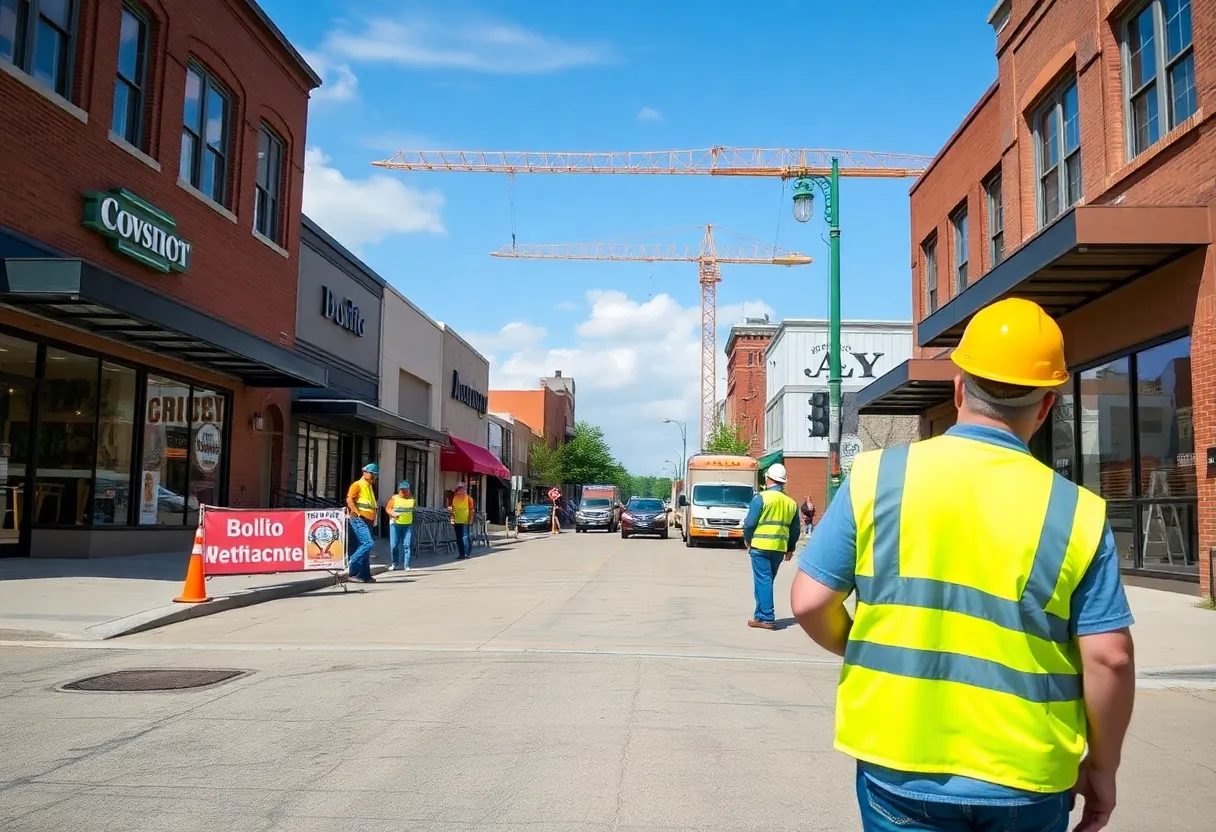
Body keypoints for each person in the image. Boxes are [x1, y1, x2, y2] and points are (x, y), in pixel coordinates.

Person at [790, 297, 1136, 832]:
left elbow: (810, 601)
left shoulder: (877, 477)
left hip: (900, 763)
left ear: (957, 389)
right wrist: (1103, 766)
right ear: (1045, 407)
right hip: (1027, 773)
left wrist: (861, 645)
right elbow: (1110, 658)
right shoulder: (1077, 512)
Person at [741, 462, 800, 630]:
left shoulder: (761, 498)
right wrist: (790, 548)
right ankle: (759, 616)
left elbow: (749, 523)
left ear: (768, 479)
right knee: (766, 581)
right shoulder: (791, 503)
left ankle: (767, 617)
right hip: (779, 548)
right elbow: (795, 529)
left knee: (763, 581)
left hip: (760, 547)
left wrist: (748, 539)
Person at [345, 463, 379, 583]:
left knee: (364, 547)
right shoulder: (357, 484)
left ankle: (364, 575)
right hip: (359, 519)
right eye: (373, 474)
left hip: (367, 520)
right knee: (368, 543)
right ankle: (353, 564)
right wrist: (356, 513)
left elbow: (371, 505)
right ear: (365, 472)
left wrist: (373, 520)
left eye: (375, 475)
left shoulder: (368, 486)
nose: (374, 477)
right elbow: (349, 499)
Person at [385, 480, 415, 571]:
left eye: (406, 490)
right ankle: (394, 563)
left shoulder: (412, 500)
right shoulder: (394, 498)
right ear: (399, 490)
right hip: (395, 524)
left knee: (407, 544)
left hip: (408, 524)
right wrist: (392, 514)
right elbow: (388, 508)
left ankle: (407, 565)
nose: (405, 492)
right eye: (403, 490)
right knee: (394, 545)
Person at [449, 482, 475, 560]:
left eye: (461, 490)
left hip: (465, 521)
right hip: (457, 521)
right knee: (459, 538)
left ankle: (467, 553)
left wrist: (470, 520)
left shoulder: (469, 499)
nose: (459, 492)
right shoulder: (454, 498)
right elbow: (451, 509)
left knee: (465, 537)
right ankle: (461, 554)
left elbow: (472, 510)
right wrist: (452, 519)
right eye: (458, 490)